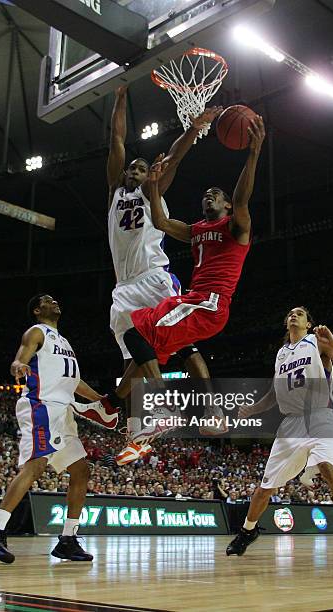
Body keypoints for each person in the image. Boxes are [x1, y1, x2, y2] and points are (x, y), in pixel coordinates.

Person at [107, 114, 265, 445]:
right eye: (205, 194)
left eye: (215, 195)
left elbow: (241, 200)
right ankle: (117, 410)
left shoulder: (235, 227)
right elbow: (162, 222)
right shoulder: (196, 230)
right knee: (138, 343)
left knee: (142, 337)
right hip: (176, 295)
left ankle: (174, 408)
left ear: (225, 204)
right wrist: (152, 185)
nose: (208, 197)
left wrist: (252, 153)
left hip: (205, 301)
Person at [107, 86, 223, 465]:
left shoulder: (151, 191)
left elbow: (174, 158)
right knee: (136, 353)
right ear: (125, 172)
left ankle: (209, 407)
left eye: (143, 170)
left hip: (155, 277)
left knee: (183, 344)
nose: (138, 173)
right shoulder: (114, 192)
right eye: (134, 169)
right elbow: (117, 138)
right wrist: (121, 98)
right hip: (124, 289)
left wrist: (193, 129)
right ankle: (139, 427)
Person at [0, 294, 117, 564]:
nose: (55, 301)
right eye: (48, 300)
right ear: (38, 310)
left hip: (63, 411)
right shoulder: (37, 331)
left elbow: (72, 380)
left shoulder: (64, 341)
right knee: (35, 465)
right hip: (42, 405)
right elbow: (20, 358)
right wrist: (18, 366)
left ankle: (68, 540)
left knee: (81, 471)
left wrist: (101, 400)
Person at [225, 306, 333, 562]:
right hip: (291, 424)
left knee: (327, 467)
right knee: (265, 488)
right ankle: (248, 531)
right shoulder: (281, 354)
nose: (294, 315)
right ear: (287, 324)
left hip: (320, 416)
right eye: (291, 314)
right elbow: (275, 393)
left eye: (300, 314)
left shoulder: (317, 342)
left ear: (308, 324)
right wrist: (253, 409)